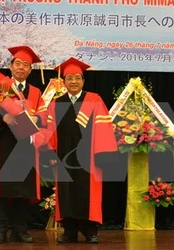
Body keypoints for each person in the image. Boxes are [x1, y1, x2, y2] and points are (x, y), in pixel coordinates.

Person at [45, 57, 118, 244]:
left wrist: (101, 154)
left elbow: (103, 128)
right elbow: (50, 132)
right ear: (64, 81)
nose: (74, 81)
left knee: (87, 193)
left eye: (77, 78)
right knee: (66, 193)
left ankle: (90, 231)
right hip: (63, 156)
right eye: (69, 78)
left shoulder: (93, 100)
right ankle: (69, 231)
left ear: (83, 81)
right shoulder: (56, 103)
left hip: (89, 157)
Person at [0, 45, 48, 244]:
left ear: (30, 70)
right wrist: (4, 117)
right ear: (10, 66)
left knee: (21, 190)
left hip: (25, 145)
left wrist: (36, 120)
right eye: (17, 63)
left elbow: (44, 116)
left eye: (25, 65)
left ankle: (20, 230)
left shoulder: (35, 93)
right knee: (2, 191)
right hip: (4, 143)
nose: (21, 68)